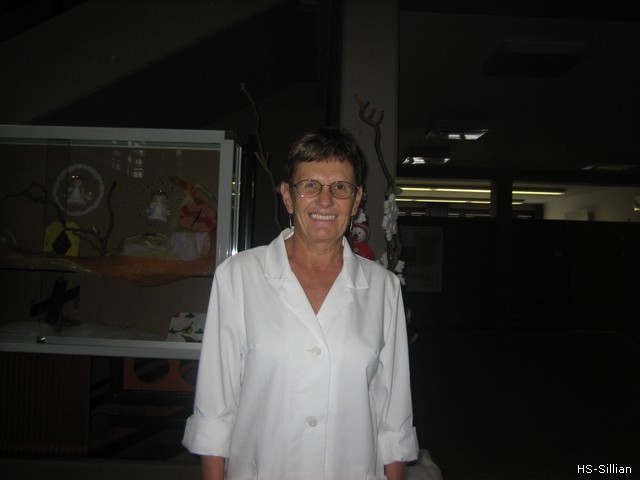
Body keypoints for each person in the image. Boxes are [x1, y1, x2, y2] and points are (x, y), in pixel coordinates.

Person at [182, 128, 418, 479]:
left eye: (340, 187)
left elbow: (393, 412)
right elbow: (216, 406)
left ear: (356, 200)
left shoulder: (383, 288)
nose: (325, 201)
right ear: (288, 196)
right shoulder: (239, 276)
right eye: (310, 186)